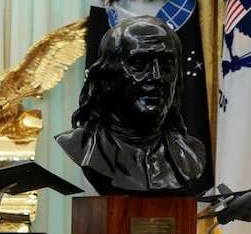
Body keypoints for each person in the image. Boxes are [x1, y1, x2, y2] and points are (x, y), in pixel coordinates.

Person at [55, 16, 206, 195]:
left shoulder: (191, 154)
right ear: (106, 79)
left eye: (166, 65)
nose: (156, 77)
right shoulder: (79, 146)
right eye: (139, 64)